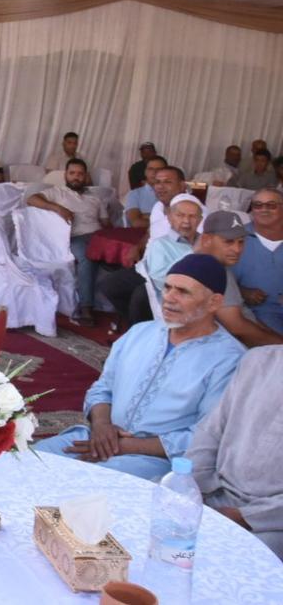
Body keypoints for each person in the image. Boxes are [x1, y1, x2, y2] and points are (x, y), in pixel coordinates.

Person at [34, 254, 245, 481]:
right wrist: (102, 425)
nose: (169, 298)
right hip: (99, 438)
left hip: (158, 460)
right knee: (28, 462)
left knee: (86, 488)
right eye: (167, 288)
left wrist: (128, 446)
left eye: (183, 292)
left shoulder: (229, 359)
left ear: (214, 302)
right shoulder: (140, 332)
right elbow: (103, 388)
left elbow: (207, 435)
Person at [187, 344, 283, 560]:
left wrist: (244, 516)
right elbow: (211, 431)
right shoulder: (258, 360)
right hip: (215, 492)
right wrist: (191, 487)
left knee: (238, 558)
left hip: (270, 521)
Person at [136, 210, 283, 348]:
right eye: (229, 242)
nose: (237, 249)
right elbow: (237, 328)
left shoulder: (206, 263)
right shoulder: (209, 270)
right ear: (206, 239)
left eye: (241, 242)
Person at [100, 193, 204, 331]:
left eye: (192, 216)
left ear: (200, 219)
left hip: (185, 285)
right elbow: (158, 278)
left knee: (141, 295)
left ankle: (143, 330)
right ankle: (136, 327)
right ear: (170, 218)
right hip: (157, 277)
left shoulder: (206, 242)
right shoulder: (161, 242)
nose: (186, 221)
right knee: (110, 284)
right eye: (180, 215)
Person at [27, 158, 110, 323]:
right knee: (87, 257)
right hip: (74, 237)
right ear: (66, 175)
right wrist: (58, 208)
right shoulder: (57, 192)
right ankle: (86, 307)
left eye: (80, 174)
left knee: (121, 254)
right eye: (72, 173)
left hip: (98, 236)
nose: (76, 177)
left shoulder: (95, 197)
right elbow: (31, 199)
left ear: (86, 176)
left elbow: (106, 223)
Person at [232, 188, 283, 335]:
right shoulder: (235, 238)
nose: (264, 210)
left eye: (271, 205)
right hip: (257, 313)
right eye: (257, 205)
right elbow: (218, 281)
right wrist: (242, 292)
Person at [123, 155, 166, 229]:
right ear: (145, 172)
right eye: (150, 169)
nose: (154, 172)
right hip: (141, 234)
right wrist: (166, 220)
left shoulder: (174, 193)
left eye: (159, 169)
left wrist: (146, 216)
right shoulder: (135, 194)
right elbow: (136, 223)